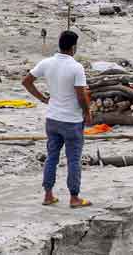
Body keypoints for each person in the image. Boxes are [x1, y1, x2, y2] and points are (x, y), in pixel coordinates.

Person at [22, 30, 93, 209]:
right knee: (73, 159)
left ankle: (48, 195)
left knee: (52, 157)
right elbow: (81, 95)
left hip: (52, 118)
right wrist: (87, 112)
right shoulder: (76, 67)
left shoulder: (47, 63)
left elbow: (26, 82)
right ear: (73, 47)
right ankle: (74, 198)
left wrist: (42, 99)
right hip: (72, 121)